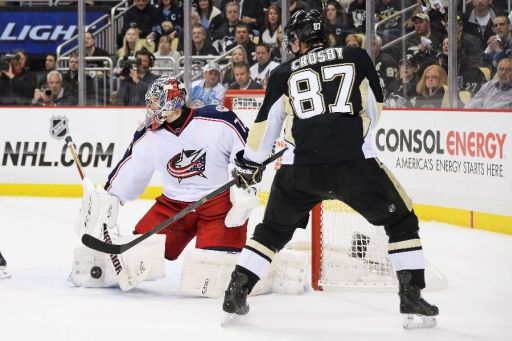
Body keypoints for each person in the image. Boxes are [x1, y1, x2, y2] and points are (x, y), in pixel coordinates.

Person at [221, 9, 439, 328]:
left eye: (293, 37)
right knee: (402, 219)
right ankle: (411, 297)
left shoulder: (283, 73)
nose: (291, 44)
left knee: (271, 231)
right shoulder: (356, 55)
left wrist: (251, 163)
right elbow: (375, 108)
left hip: (300, 170)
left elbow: (266, 126)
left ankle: (235, 293)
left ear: (304, 37)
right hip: (354, 164)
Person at [73, 75, 256, 294]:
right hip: (173, 206)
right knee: (140, 253)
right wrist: (108, 199)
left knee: (209, 274)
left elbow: (249, 155)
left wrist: (246, 189)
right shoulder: (149, 135)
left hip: (218, 205)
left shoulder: (217, 121)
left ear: (174, 102)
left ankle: (261, 270)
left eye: (158, 102)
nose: (152, 108)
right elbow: (131, 170)